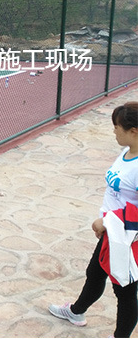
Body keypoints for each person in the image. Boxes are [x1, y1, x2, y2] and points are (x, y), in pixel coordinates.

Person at [49, 102, 138, 338]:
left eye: (117, 126)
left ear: (133, 131)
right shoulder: (127, 151)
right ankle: (76, 312)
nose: (114, 131)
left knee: (125, 291)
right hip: (113, 234)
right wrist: (105, 224)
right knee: (95, 273)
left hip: (127, 238)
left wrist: (107, 221)